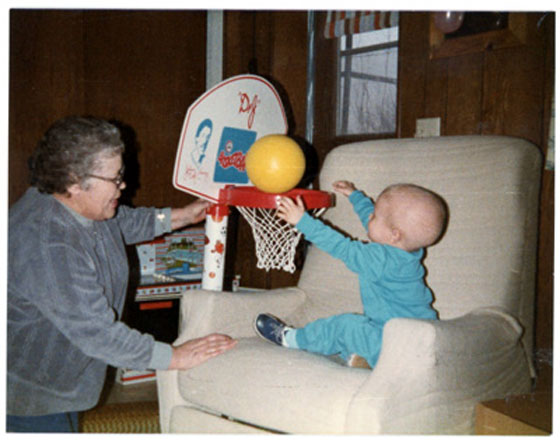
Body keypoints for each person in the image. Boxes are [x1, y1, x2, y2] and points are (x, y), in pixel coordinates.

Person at [7, 116, 237, 432]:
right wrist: (174, 356)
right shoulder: (47, 243)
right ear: (74, 180)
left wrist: (180, 216)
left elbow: (119, 222)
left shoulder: (71, 203)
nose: (123, 185)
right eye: (115, 179)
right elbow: (99, 334)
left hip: (60, 390)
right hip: (29, 403)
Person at [254, 180, 447, 369]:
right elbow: (378, 227)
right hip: (419, 344)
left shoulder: (380, 260)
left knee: (346, 326)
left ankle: (290, 338)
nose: (369, 216)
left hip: (395, 346)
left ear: (395, 235)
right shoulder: (406, 254)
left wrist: (302, 221)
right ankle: (366, 361)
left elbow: (341, 247)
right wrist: (356, 197)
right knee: (362, 332)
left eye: (374, 215)